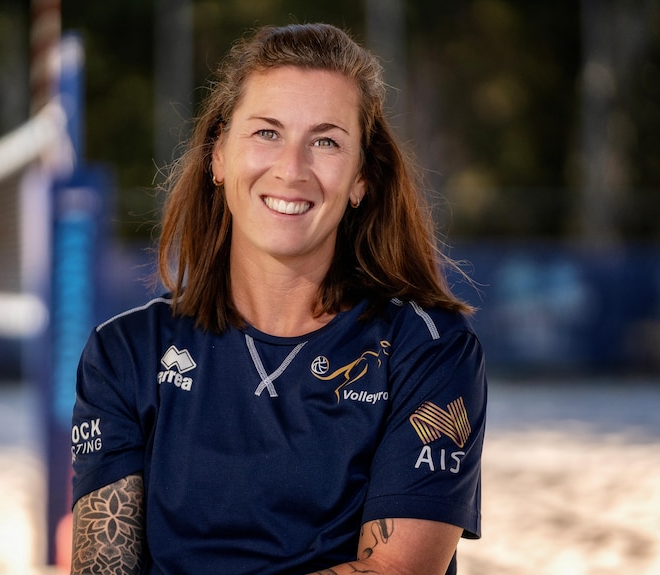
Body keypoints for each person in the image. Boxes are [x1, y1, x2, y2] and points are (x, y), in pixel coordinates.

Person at [70, 22, 486, 575]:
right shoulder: (126, 352)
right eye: (267, 132)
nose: (291, 169)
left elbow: (394, 572)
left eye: (325, 141)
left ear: (361, 178)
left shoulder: (428, 350)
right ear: (218, 155)